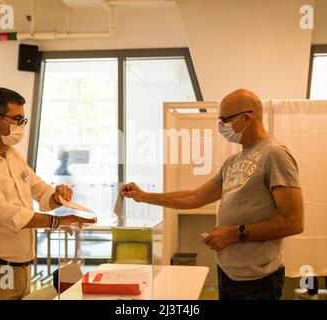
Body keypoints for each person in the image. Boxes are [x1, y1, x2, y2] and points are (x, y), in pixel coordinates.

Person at [121, 88, 304, 300]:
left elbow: (293, 221)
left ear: (246, 118)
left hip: (257, 279)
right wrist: (144, 196)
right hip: (228, 273)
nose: (221, 126)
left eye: (224, 120)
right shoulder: (233, 161)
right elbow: (196, 196)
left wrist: (234, 233)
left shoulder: (275, 154)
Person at [0, 87, 96, 300]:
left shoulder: (12, 155)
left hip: (19, 269)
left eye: (23, 120)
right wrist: (55, 222)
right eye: (17, 119)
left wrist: (57, 196)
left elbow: (39, 189)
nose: (21, 126)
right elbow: (2, 211)